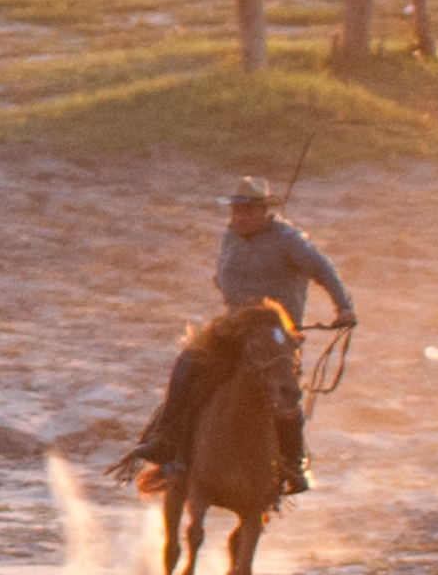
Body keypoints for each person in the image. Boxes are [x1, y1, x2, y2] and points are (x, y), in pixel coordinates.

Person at [128, 179, 352, 494]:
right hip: (235, 326)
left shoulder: (289, 240)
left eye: (247, 211)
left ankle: (293, 462)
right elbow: (224, 276)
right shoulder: (230, 237)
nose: (239, 217)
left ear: (264, 211)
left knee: (284, 389)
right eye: (236, 211)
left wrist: (343, 307)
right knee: (187, 364)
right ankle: (165, 444)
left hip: (275, 331)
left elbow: (323, 270)